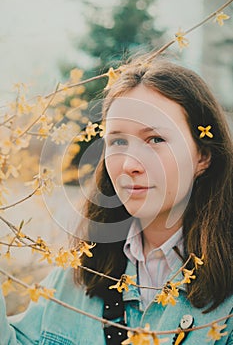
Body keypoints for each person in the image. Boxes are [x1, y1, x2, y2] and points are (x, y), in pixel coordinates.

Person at [1, 56, 233, 344]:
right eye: (118, 142)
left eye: (155, 140)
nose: (129, 164)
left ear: (203, 156)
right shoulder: (82, 272)